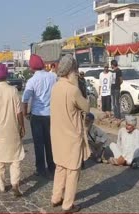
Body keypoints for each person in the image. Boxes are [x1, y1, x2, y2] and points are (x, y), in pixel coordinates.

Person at [50, 54, 90, 213]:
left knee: (60, 167)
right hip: (71, 136)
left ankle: (56, 197)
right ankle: (67, 205)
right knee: (73, 171)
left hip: (57, 134)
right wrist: (80, 87)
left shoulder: (56, 87)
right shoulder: (73, 90)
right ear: (72, 70)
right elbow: (86, 107)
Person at [0, 63, 25, 197]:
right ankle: (15, 183)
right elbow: (19, 112)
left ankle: (2, 185)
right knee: (15, 157)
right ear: (7, 75)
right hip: (13, 128)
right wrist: (22, 126)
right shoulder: (13, 90)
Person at [22, 54, 57, 176]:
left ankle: (41, 169)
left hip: (37, 115)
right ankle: (52, 165)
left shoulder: (32, 81)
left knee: (38, 143)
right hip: (50, 114)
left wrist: (25, 113)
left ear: (32, 67)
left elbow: (25, 100)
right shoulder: (53, 77)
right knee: (50, 142)